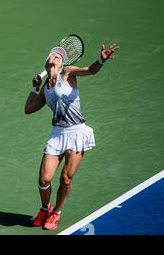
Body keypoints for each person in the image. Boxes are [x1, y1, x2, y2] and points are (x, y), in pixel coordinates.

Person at [24, 43, 119, 230]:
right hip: (57, 134)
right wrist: (35, 88)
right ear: (48, 62)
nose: (57, 56)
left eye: (60, 56)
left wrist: (101, 60)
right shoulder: (46, 87)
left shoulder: (67, 72)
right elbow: (28, 109)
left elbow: (91, 70)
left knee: (66, 179)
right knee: (44, 179)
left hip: (76, 132)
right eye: (54, 55)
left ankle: (56, 212)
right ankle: (45, 208)